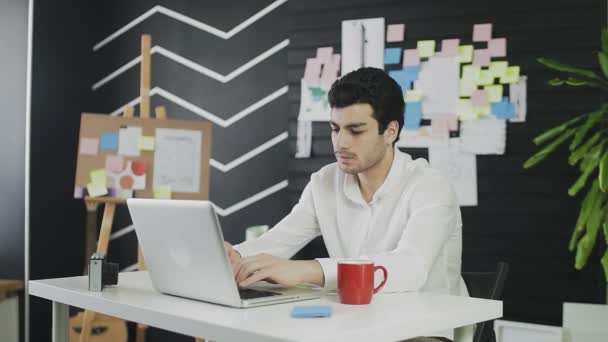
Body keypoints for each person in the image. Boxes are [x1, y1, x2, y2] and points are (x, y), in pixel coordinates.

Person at [225, 67, 465, 342]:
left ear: (390, 131)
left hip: (426, 331)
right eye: (335, 129)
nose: (340, 143)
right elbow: (279, 240)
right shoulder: (324, 182)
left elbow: (411, 267)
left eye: (356, 131)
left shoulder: (430, 186)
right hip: (358, 325)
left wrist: (310, 269)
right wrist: (234, 257)